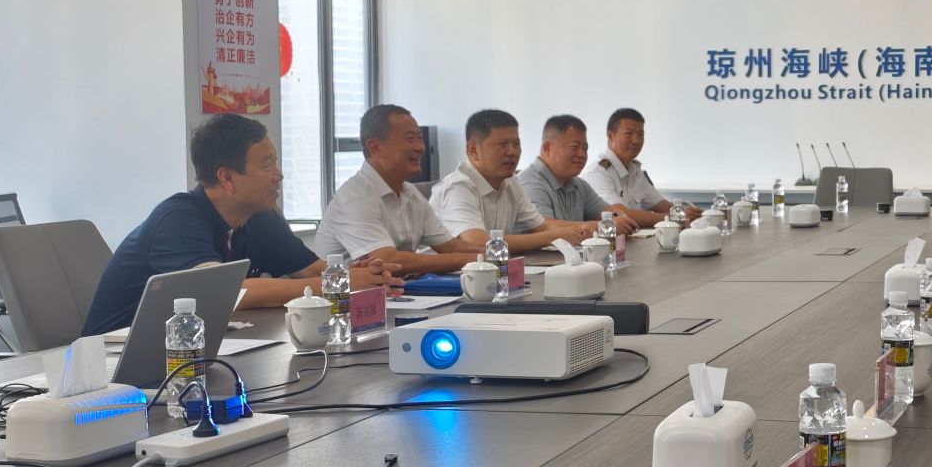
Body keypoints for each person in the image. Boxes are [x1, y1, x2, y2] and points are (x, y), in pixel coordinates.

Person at [84, 114, 391, 334]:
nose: (279, 175)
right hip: (114, 365)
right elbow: (226, 293)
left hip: (198, 347)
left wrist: (362, 274)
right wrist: (337, 284)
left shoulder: (260, 216)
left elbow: (311, 270)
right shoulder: (176, 220)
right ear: (227, 177)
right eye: (267, 164)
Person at [311, 105, 476, 276]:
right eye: (410, 139)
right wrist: (470, 260)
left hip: (396, 289)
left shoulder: (410, 193)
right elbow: (389, 261)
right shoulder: (355, 198)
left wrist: (488, 254)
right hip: (345, 293)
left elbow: (450, 246)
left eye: (420, 138)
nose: (420, 147)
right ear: (375, 147)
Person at [431, 108, 596, 251]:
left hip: (492, 272)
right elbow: (479, 243)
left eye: (516, 144)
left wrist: (579, 230)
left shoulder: (510, 182)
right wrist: (552, 237)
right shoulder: (458, 186)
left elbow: (542, 226)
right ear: (473, 150)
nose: (512, 152)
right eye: (502, 144)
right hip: (438, 276)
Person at [520, 115, 639, 231]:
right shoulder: (531, 183)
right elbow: (543, 226)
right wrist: (604, 226)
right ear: (547, 148)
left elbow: (606, 211)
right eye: (575, 147)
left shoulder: (579, 184)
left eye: (585, 148)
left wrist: (620, 217)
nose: (582, 154)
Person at [586, 108, 701, 226]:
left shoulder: (635, 170)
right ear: (611, 136)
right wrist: (676, 217)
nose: (636, 141)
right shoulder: (598, 172)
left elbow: (663, 206)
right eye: (628, 134)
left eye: (640, 135)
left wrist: (695, 214)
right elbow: (620, 214)